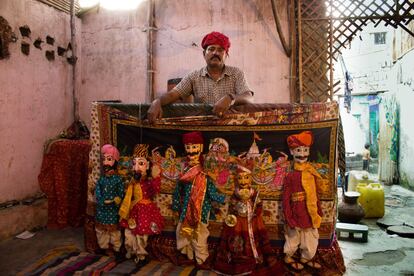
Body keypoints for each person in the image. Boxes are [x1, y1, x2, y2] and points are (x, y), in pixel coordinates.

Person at [147, 31, 254, 123]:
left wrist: (231, 98)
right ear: (204, 54)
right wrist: (157, 102)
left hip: (230, 127)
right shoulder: (194, 76)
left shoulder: (236, 73)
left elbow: (249, 97)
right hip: (203, 128)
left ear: (226, 55)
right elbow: (173, 94)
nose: (215, 52)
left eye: (221, 50)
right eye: (211, 49)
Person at [171, 131, 227, 268]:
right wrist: (175, 207)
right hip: (185, 210)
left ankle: (202, 259)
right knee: (183, 233)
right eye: (188, 149)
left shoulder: (205, 173)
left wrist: (225, 198)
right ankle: (189, 257)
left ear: (200, 149)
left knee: (200, 235)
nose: (191, 152)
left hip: (202, 210)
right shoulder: (184, 173)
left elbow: (211, 192)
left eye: (194, 148)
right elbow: (178, 191)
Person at [214, 165, 279, 275]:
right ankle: (238, 259)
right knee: (237, 239)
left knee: (255, 238)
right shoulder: (236, 193)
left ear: (250, 178)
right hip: (239, 222)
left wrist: (255, 210)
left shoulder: (254, 193)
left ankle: (255, 256)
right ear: (237, 179)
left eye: (246, 177)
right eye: (240, 178)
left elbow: (259, 206)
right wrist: (237, 207)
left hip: (253, 222)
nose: (243, 181)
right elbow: (232, 206)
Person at [282, 131, 323, 271]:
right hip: (296, 212)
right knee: (293, 236)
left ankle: (306, 257)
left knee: (310, 236)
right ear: (292, 152)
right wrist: (289, 218)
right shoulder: (290, 176)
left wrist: (319, 209)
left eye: (305, 150)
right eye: (299, 150)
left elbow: (315, 193)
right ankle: (288, 256)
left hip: (310, 212)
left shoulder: (311, 172)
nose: (302, 154)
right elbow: (286, 199)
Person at [119, 144, 164, 265]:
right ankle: (130, 251)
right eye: (134, 163)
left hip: (145, 211)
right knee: (129, 232)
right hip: (133, 211)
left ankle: (141, 255)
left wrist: (156, 177)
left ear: (147, 166)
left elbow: (156, 189)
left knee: (142, 235)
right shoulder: (132, 181)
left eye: (141, 163)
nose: (136, 167)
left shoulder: (149, 182)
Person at [95, 144, 125, 257]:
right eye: (104, 159)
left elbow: (120, 193)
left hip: (112, 210)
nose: (106, 162)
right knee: (101, 230)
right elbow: (98, 192)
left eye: (110, 159)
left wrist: (117, 199)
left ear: (115, 162)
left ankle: (116, 249)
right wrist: (102, 201)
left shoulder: (118, 180)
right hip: (102, 209)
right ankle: (104, 247)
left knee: (114, 231)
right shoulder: (101, 179)